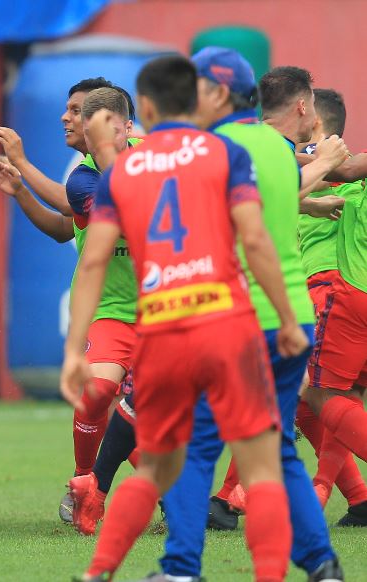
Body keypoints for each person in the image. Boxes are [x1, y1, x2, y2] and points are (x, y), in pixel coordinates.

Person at [61, 55, 304, 581]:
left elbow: (95, 259)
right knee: (261, 467)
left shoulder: (121, 172)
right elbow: (255, 238)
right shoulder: (222, 153)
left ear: (143, 108)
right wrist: (285, 317)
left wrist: (72, 347)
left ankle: (104, 571)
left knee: (157, 466)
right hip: (224, 324)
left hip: (162, 330)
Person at [151, 48, 344, 582]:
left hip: (234, 319)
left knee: (196, 445)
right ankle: (322, 563)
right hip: (290, 316)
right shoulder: (280, 150)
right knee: (275, 444)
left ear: (216, 92)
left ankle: (182, 567)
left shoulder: (207, 149)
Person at [0, 79, 139, 525]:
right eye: (71, 111)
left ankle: (206, 495)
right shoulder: (82, 178)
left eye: (77, 111)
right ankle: (84, 481)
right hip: (109, 311)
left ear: (121, 121)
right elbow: (75, 218)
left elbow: (63, 227)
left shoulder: (152, 154)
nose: (66, 119)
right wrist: (21, 174)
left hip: (162, 310)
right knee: (99, 391)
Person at [295, 88, 367, 528]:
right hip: (347, 291)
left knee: (305, 392)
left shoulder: (319, 160)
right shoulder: (342, 168)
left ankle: (231, 497)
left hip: (333, 289)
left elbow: (277, 175)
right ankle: (349, 497)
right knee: (332, 399)